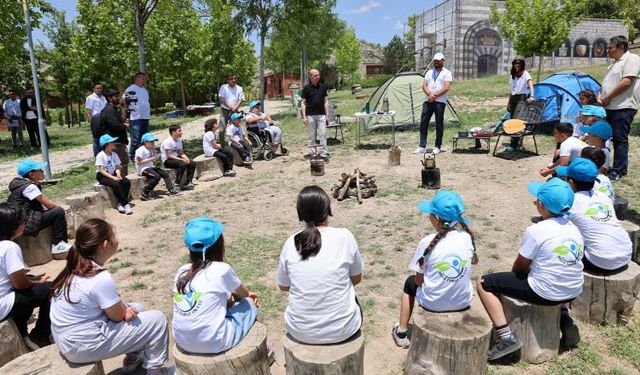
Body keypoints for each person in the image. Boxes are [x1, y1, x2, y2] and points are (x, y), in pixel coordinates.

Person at [477, 178, 583, 360]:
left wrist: (513, 279)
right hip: (573, 291)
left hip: (544, 292)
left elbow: (520, 265)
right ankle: (564, 318)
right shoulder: (574, 229)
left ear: (541, 205)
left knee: (483, 283)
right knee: (559, 270)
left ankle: (505, 336)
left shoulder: (537, 230)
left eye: (536, 201)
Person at [49, 219, 172, 375]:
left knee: (138, 308)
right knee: (158, 320)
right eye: (114, 236)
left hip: (66, 339)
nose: (117, 240)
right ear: (105, 245)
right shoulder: (99, 277)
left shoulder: (74, 267)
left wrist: (125, 311)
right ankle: (155, 372)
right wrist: (124, 313)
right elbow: (117, 316)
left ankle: (133, 358)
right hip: (80, 346)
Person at [276, 186, 364, 344]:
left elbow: (283, 286)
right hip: (343, 329)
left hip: (299, 330)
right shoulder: (344, 236)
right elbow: (356, 278)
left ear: (300, 214)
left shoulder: (291, 242)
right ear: (328, 209)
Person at [392, 191, 477, 348]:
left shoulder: (427, 242)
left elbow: (418, 280)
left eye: (430, 214)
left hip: (433, 304)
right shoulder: (467, 237)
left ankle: (401, 331)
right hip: (463, 301)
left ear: (436, 219)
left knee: (409, 283)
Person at [172, 217, 259, 354]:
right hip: (215, 342)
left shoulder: (181, 272)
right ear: (219, 244)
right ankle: (265, 351)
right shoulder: (222, 269)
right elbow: (244, 295)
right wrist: (247, 297)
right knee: (250, 304)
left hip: (182, 340)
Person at [556, 158, 632, 275]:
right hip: (626, 254)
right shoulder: (604, 197)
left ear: (570, 182)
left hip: (600, 261)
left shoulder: (570, 203)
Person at [0, 203, 53, 350]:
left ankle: (22, 331)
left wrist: (31, 280)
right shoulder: (9, 247)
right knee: (52, 287)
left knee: (30, 279)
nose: (25, 224)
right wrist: (36, 282)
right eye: (23, 221)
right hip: (2, 305)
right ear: (14, 226)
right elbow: (19, 285)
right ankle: (40, 335)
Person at [598, 35, 640, 181]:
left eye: (611, 48)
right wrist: (600, 95)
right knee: (604, 136)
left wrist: (608, 98)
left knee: (619, 139)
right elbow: (604, 84)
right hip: (609, 106)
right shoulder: (612, 64)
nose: (607, 50)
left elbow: (627, 81)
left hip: (623, 106)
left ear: (621, 48)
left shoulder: (632, 59)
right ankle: (602, 165)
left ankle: (619, 170)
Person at [7, 159, 72, 254]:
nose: (43, 172)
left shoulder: (21, 185)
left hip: (23, 220)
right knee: (58, 211)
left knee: (54, 211)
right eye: (40, 170)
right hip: (25, 224)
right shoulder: (29, 187)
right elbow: (48, 204)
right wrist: (60, 209)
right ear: (31, 175)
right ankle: (58, 244)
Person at [414, 53, 452, 155]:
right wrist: (430, 94)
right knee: (423, 123)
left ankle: (437, 146)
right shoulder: (429, 72)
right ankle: (422, 146)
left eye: (438, 61)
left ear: (443, 61)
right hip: (428, 100)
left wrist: (435, 95)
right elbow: (424, 85)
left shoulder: (447, 73)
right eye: (435, 61)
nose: (436, 62)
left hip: (440, 102)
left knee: (439, 124)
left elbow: (446, 87)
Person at [135, 132, 180, 200]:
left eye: (153, 141)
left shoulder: (150, 149)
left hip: (150, 167)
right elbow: (139, 162)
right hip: (143, 169)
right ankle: (145, 193)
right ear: (145, 142)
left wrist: (155, 155)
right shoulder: (141, 149)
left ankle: (171, 190)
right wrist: (151, 159)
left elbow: (152, 161)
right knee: (156, 177)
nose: (153, 143)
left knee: (165, 174)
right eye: (151, 141)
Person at [96, 134, 132, 214]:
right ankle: (126, 204)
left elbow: (118, 167)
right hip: (103, 176)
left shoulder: (114, 154)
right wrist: (113, 178)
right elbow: (101, 170)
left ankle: (120, 203)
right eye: (112, 142)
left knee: (126, 182)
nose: (115, 143)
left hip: (113, 173)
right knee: (115, 184)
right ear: (107, 144)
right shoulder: (100, 155)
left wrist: (118, 174)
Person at [505, 58, 535, 152]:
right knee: (511, 120)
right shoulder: (512, 75)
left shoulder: (525, 73)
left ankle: (516, 143)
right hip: (513, 98)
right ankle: (515, 142)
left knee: (517, 120)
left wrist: (532, 95)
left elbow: (530, 83)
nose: (517, 65)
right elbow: (511, 90)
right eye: (515, 64)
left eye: (519, 64)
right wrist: (508, 103)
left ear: (522, 65)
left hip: (521, 98)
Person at [301, 69, 330, 159]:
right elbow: (303, 103)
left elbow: (326, 101)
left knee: (323, 133)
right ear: (311, 77)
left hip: (321, 115)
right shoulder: (306, 88)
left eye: (318, 75)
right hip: (310, 115)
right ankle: (313, 152)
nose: (317, 77)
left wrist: (327, 115)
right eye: (315, 75)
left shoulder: (323, 87)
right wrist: (304, 116)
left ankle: (324, 152)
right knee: (312, 135)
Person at [101, 89, 130, 174]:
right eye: (116, 96)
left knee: (123, 163)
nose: (118, 98)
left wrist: (125, 111)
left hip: (118, 141)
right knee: (121, 164)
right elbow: (115, 125)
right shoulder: (109, 110)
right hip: (116, 142)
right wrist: (125, 126)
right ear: (110, 98)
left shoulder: (112, 109)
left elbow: (118, 122)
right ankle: (122, 184)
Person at [125, 72, 152, 162]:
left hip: (145, 117)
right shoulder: (131, 88)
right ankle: (132, 156)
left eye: (145, 78)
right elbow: (123, 101)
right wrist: (127, 112)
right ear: (136, 79)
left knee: (144, 138)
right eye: (142, 78)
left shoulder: (144, 90)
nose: (144, 80)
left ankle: (142, 155)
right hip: (135, 117)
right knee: (135, 138)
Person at [161, 125, 196, 190]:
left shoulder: (179, 140)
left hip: (176, 158)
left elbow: (181, 153)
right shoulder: (168, 141)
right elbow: (169, 155)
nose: (181, 132)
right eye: (179, 131)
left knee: (192, 162)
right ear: (173, 132)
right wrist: (181, 159)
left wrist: (186, 158)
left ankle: (189, 182)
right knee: (182, 164)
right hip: (167, 160)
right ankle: (177, 183)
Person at [218, 73, 245, 143]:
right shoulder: (223, 87)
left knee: (236, 128)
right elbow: (221, 98)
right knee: (222, 129)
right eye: (231, 79)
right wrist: (230, 107)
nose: (233, 80)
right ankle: (221, 146)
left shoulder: (239, 88)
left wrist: (235, 108)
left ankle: (236, 144)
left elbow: (241, 100)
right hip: (224, 111)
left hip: (235, 111)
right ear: (228, 80)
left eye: (234, 78)